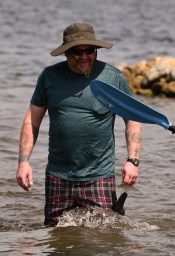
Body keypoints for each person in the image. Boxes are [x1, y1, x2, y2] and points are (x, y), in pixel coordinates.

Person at [15, 23, 142, 226]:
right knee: (55, 238)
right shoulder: (49, 77)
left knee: (102, 242)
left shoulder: (113, 77)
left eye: (89, 51)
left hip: (99, 176)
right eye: (77, 51)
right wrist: (23, 161)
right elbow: (32, 120)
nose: (84, 57)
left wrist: (133, 161)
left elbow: (132, 120)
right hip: (58, 176)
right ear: (66, 53)